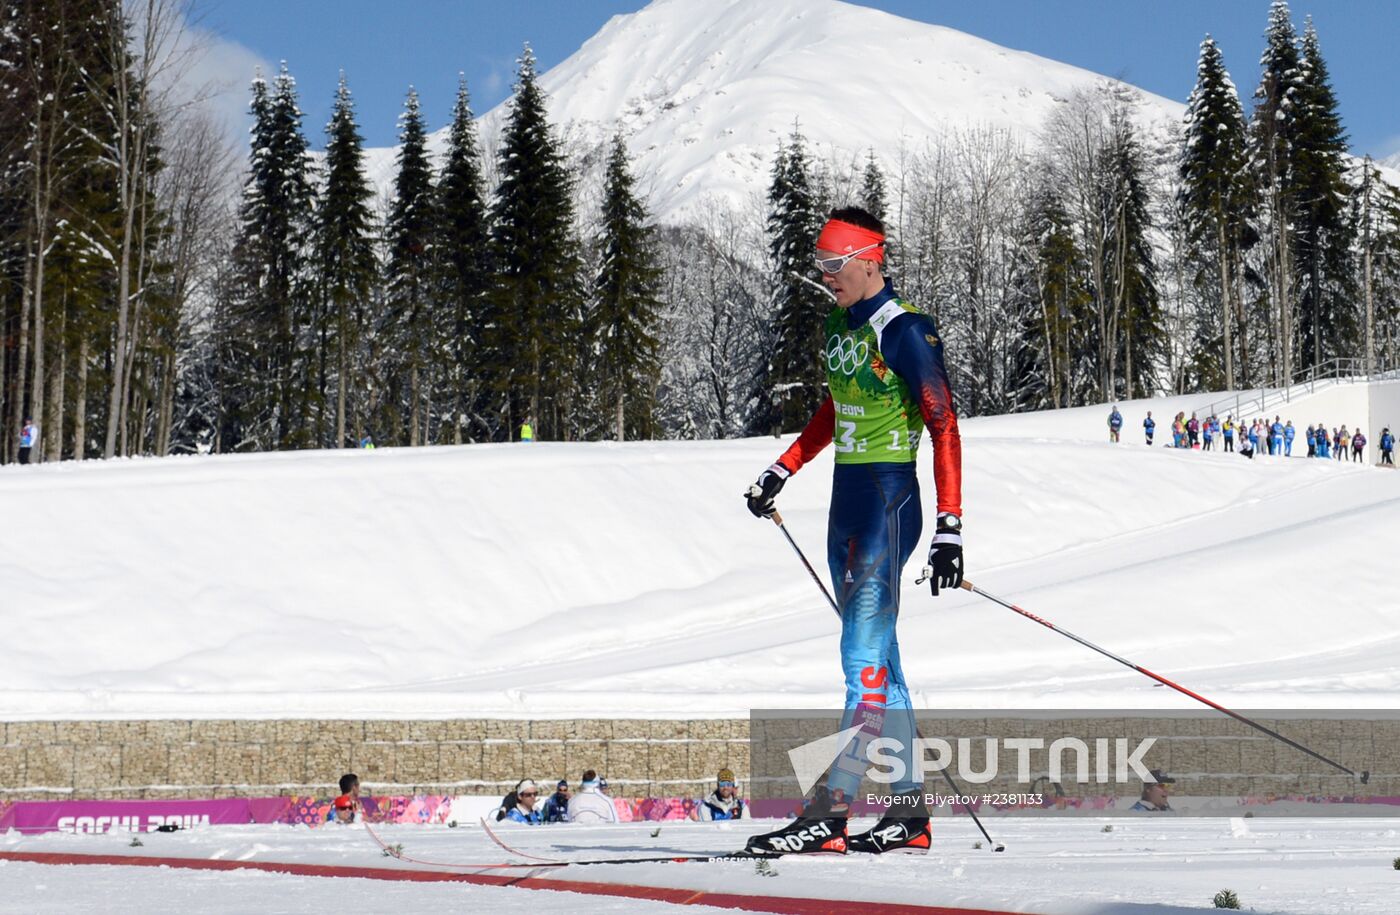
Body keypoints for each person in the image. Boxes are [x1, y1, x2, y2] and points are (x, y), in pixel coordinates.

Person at [742, 207, 959, 857]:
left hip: (889, 505)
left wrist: (951, 525)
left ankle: (830, 812)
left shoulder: (908, 331)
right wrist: (784, 466)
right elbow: (839, 403)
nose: (826, 276)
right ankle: (909, 811)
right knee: (880, 663)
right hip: (845, 503)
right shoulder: (841, 326)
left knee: (859, 661)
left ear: (870, 258)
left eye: (833, 264)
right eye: (820, 265)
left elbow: (944, 424)